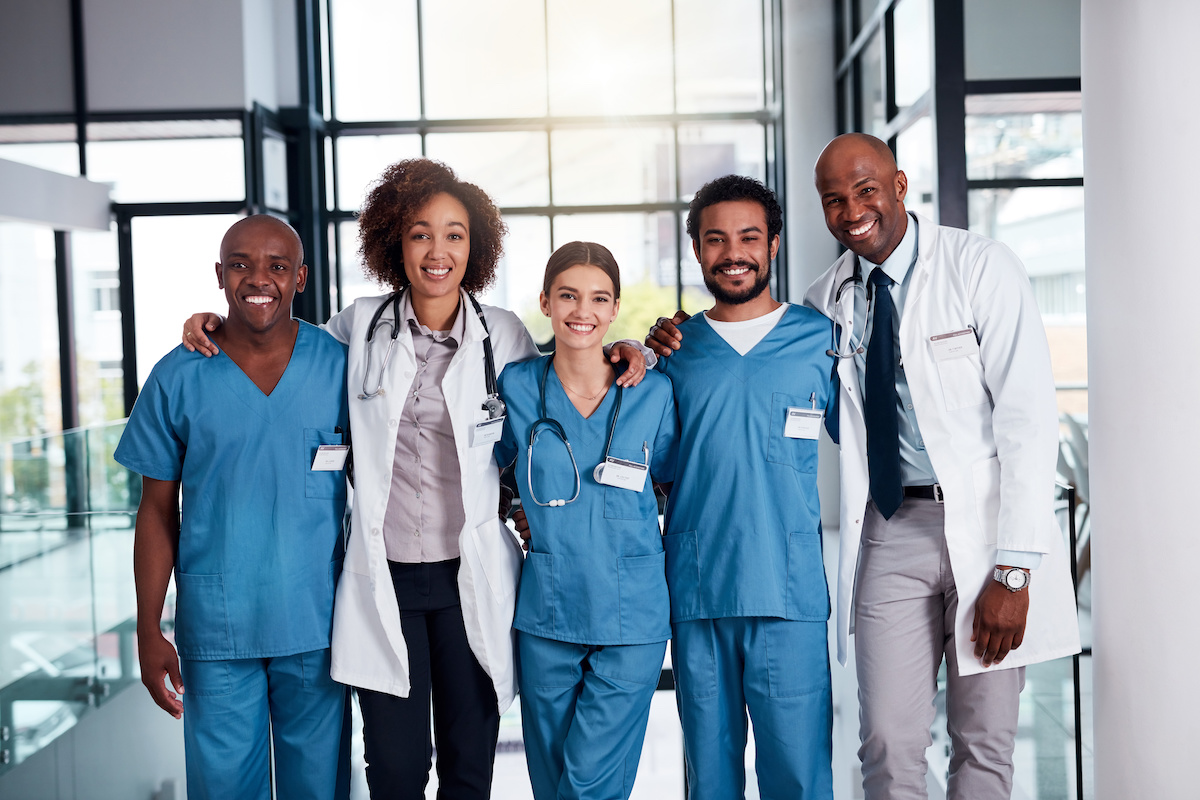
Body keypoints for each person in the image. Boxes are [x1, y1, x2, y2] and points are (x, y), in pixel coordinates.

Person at [181, 159, 650, 799]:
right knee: (395, 770)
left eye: (455, 234)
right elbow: (280, 347)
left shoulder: (503, 336)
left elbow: (566, 380)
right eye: (421, 233)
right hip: (385, 575)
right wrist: (213, 325)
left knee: (468, 764)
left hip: (470, 576)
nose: (438, 250)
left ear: (473, 247)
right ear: (395, 242)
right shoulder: (358, 326)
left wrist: (634, 349)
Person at [804, 133, 1080, 799]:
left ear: (899, 187)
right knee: (888, 743)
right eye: (834, 200)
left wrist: (1014, 571)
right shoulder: (825, 301)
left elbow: (1027, 421)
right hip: (890, 526)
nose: (851, 211)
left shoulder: (981, 266)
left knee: (983, 741)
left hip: (984, 533)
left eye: (865, 190)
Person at [117, 215, 350, 800]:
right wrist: (148, 628)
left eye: (277, 265)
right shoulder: (179, 374)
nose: (258, 278)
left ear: (301, 277)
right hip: (219, 631)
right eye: (241, 263)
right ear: (219, 275)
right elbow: (154, 513)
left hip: (317, 627)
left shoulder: (341, 366)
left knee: (319, 790)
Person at [644, 175, 836, 799]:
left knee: (799, 775)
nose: (734, 252)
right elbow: (656, 465)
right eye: (716, 239)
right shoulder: (674, 351)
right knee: (711, 777)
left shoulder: (820, 339)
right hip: (700, 589)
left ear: (774, 245)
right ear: (697, 250)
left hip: (790, 590)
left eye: (750, 236)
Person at [494, 242, 678, 800]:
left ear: (616, 306)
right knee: (550, 784)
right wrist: (520, 508)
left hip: (632, 616)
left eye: (599, 298)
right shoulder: (517, 386)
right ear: (546, 301)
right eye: (568, 295)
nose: (583, 310)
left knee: (589, 784)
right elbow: (489, 470)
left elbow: (669, 478)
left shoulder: (655, 390)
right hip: (548, 611)